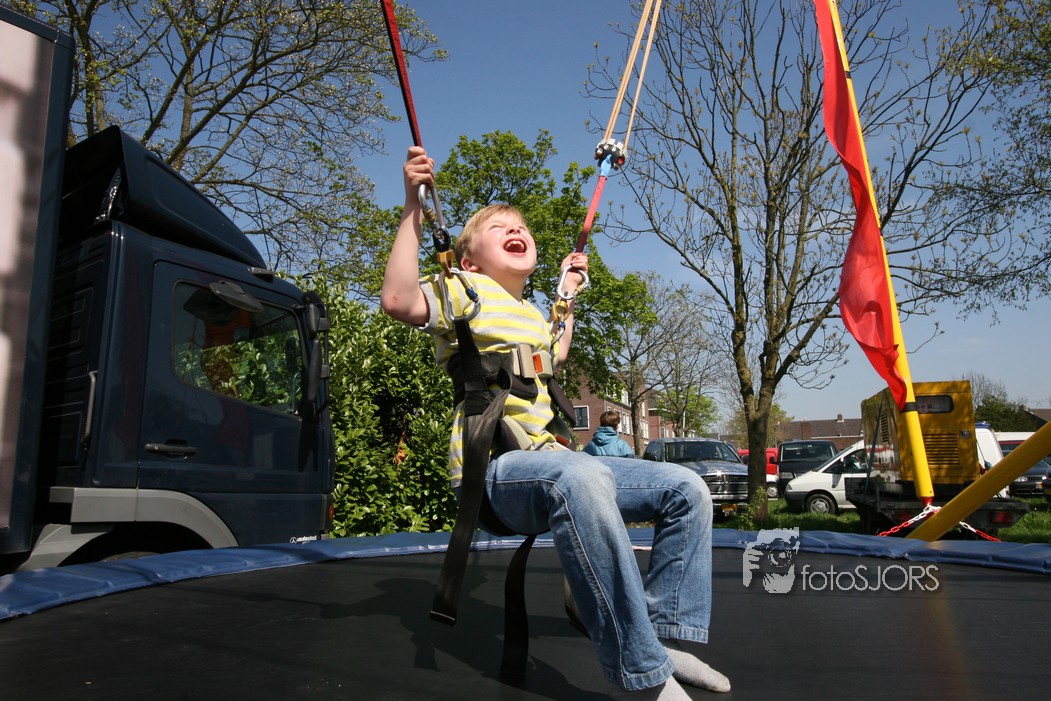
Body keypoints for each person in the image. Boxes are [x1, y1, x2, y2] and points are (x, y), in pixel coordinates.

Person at [381, 146, 730, 700]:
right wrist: (412, 208)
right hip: (495, 470)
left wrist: (566, 296)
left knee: (687, 490)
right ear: (469, 260)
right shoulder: (462, 292)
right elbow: (398, 299)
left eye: (521, 227)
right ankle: (645, 671)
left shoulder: (529, 315)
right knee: (581, 475)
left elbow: (555, 355)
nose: (515, 230)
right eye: (499, 228)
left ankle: (662, 638)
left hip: (553, 463)